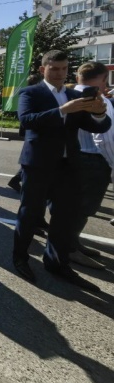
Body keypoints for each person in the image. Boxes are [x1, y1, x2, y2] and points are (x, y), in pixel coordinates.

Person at [13, 50, 110, 292]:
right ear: (42, 69)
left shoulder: (71, 94)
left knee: (65, 217)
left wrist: (99, 112)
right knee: (30, 213)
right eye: (54, 68)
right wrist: (63, 110)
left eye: (64, 68)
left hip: (68, 166)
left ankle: (57, 262)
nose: (60, 73)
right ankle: (20, 257)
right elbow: (28, 121)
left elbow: (94, 125)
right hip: (38, 165)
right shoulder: (31, 92)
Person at [71, 61, 114, 269]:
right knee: (83, 208)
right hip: (94, 160)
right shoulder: (99, 99)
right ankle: (70, 247)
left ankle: (72, 244)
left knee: (72, 207)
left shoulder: (67, 94)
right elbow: (104, 139)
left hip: (71, 157)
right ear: (103, 79)